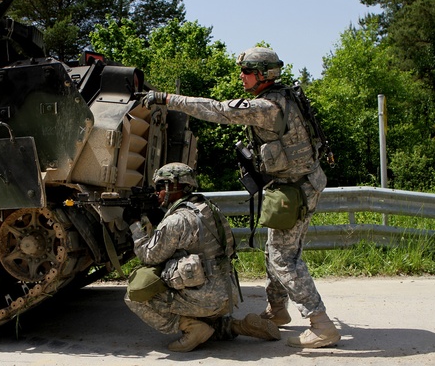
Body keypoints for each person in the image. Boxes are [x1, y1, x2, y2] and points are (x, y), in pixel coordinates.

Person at [142, 47, 340, 349]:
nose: (241, 76)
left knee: (283, 258)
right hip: (298, 185)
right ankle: (277, 311)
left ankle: (321, 324)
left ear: (263, 75)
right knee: (277, 251)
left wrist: (167, 99)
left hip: (294, 190)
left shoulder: (267, 107)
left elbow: (217, 110)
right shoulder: (285, 96)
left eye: (247, 71)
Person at [125, 162, 280, 352]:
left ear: (173, 186)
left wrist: (135, 224)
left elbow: (148, 256)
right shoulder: (207, 208)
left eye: (160, 187)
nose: (157, 193)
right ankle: (238, 326)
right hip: (226, 294)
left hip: (204, 297)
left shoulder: (176, 220)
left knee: (135, 296)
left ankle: (193, 329)